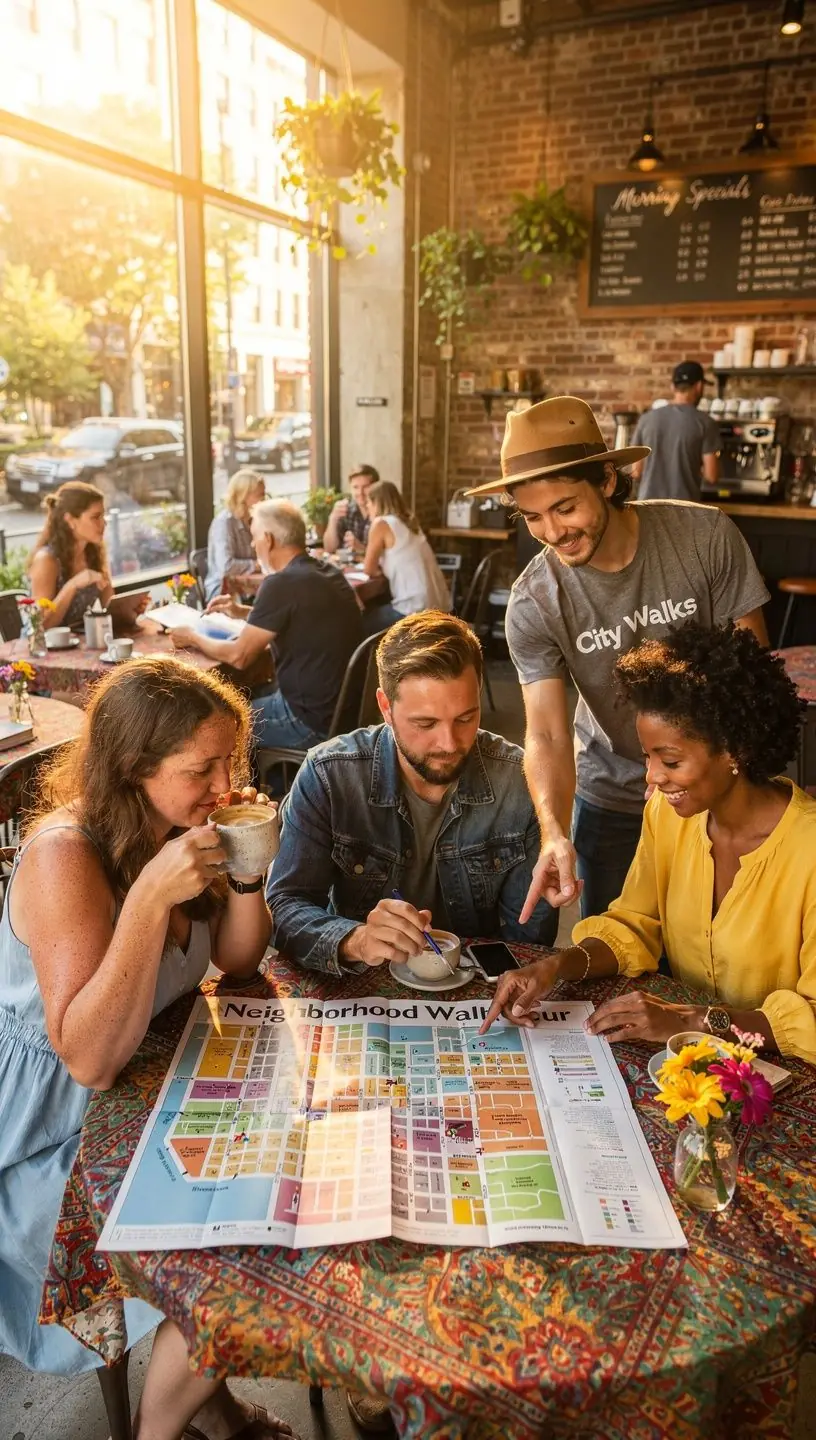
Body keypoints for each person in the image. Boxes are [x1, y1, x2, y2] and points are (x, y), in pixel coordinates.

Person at [0, 657, 294, 1440]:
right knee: (237, 1240)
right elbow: (88, 1059)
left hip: (145, 1083)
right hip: (49, 1132)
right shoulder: (66, 856)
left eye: (231, 762)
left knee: (283, 1172)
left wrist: (248, 866)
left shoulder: (182, 828)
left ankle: (208, 1408)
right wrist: (151, 897)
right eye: (202, 769)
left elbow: (237, 961)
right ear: (135, 768)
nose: (225, 784)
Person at [464, 394, 770, 925]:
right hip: (613, 796)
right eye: (533, 517)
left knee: (728, 948)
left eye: (565, 508)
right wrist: (553, 832)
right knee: (619, 949)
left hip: (723, 782)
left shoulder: (703, 537)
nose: (553, 533)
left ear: (607, 480)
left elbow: (754, 673)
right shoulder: (535, 600)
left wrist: (705, 766)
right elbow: (547, 734)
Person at [481, 622, 816, 1068]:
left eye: (671, 761)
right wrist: (556, 967)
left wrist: (692, 1020)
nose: (653, 777)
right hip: (687, 1065)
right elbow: (633, 925)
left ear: (735, 750)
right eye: (647, 756)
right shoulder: (668, 814)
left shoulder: (808, 849)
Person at [268, 610, 557, 977]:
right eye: (425, 723)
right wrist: (355, 940)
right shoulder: (330, 775)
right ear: (385, 707)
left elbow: (529, 943)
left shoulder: (520, 779)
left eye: (466, 718)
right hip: (360, 980)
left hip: (475, 986)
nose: (449, 743)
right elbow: (284, 906)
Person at [173, 499, 362, 751]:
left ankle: (254, 776)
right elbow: (303, 617)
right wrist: (241, 612)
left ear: (268, 539)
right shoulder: (328, 572)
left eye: (254, 537)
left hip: (307, 721)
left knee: (214, 726)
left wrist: (192, 637)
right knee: (248, 694)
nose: (253, 545)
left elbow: (239, 656)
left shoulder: (280, 584)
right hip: (346, 713)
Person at [360, 479, 452, 636]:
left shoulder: (381, 523)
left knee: (359, 622)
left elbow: (368, 569)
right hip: (439, 608)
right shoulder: (409, 523)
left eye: (368, 501)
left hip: (414, 612)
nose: (366, 506)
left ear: (377, 502)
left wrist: (377, 571)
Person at [630, 361, 722, 501]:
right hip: (684, 508)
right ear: (699, 386)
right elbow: (712, 476)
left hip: (647, 506)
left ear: (673, 387)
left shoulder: (646, 419)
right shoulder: (706, 423)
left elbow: (636, 472)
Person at [28, 481, 114, 629]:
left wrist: (130, 610)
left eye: (103, 516)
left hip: (79, 640)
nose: (104, 523)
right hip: (43, 643)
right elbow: (41, 625)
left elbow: (109, 604)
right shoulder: (46, 560)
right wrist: (72, 585)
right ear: (70, 520)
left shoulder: (94, 552)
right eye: (95, 517)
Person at [205, 467, 266, 602]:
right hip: (224, 591)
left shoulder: (254, 519)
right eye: (260, 495)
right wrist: (258, 565)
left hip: (251, 587)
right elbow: (226, 567)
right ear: (243, 496)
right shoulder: (224, 523)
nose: (264, 499)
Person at [323, 463, 378, 555]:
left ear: (376, 487)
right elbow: (329, 548)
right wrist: (332, 519)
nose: (360, 492)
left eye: (365, 487)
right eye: (355, 487)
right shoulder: (346, 509)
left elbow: (386, 558)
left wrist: (361, 549)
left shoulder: (383, 513)